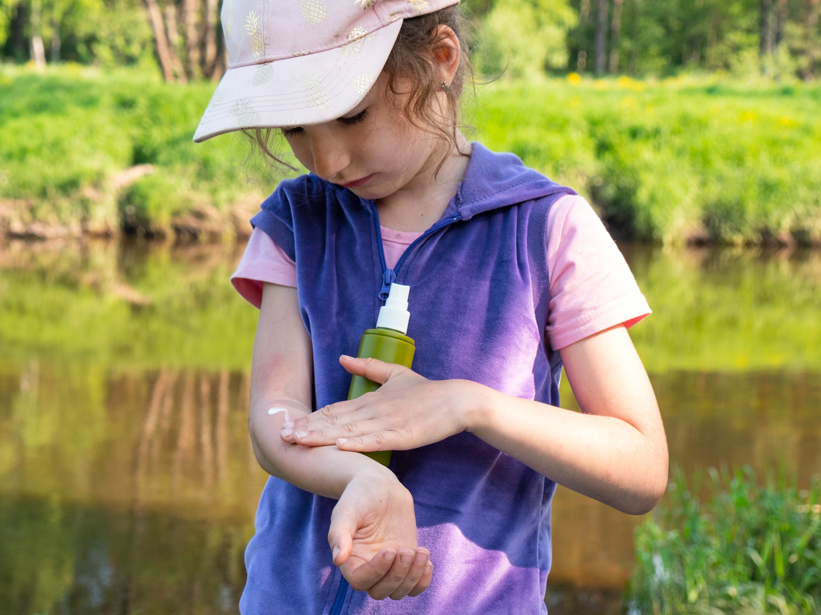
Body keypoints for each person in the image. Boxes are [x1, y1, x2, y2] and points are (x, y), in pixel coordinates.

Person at [192, 0, 669, 613]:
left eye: (352, 116)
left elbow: (640, 469)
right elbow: (274, 418)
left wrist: (466, 404)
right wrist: (361, 476)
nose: (328, 161)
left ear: (440, 60)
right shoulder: (295, 223)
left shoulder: (548, 228)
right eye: (296, 129)